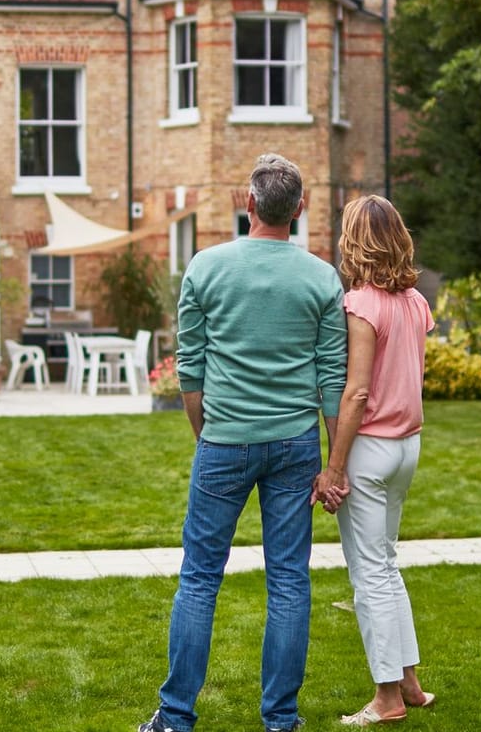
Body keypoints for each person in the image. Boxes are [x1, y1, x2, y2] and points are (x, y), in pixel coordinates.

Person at [140, 153, 348, 732]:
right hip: (295, 445)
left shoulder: (205, 267)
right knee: (288, 578)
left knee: (200, 577)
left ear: (249, 205)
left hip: (224, 444)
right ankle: (281, 720)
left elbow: (190, 370)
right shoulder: (321, 277)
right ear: (299, 210)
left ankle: (175, 718)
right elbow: (333, 378)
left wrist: (205, 436)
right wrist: (334, 464)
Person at [314, 194, 437, 726]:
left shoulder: (362, 303)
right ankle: (409, 683)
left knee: (370, 575)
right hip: (407, 447)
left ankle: (386, 698)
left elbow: (356, 393)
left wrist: (334, 467)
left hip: (370, 450)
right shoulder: (415, 302)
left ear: (354, 240)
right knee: (387, 564)